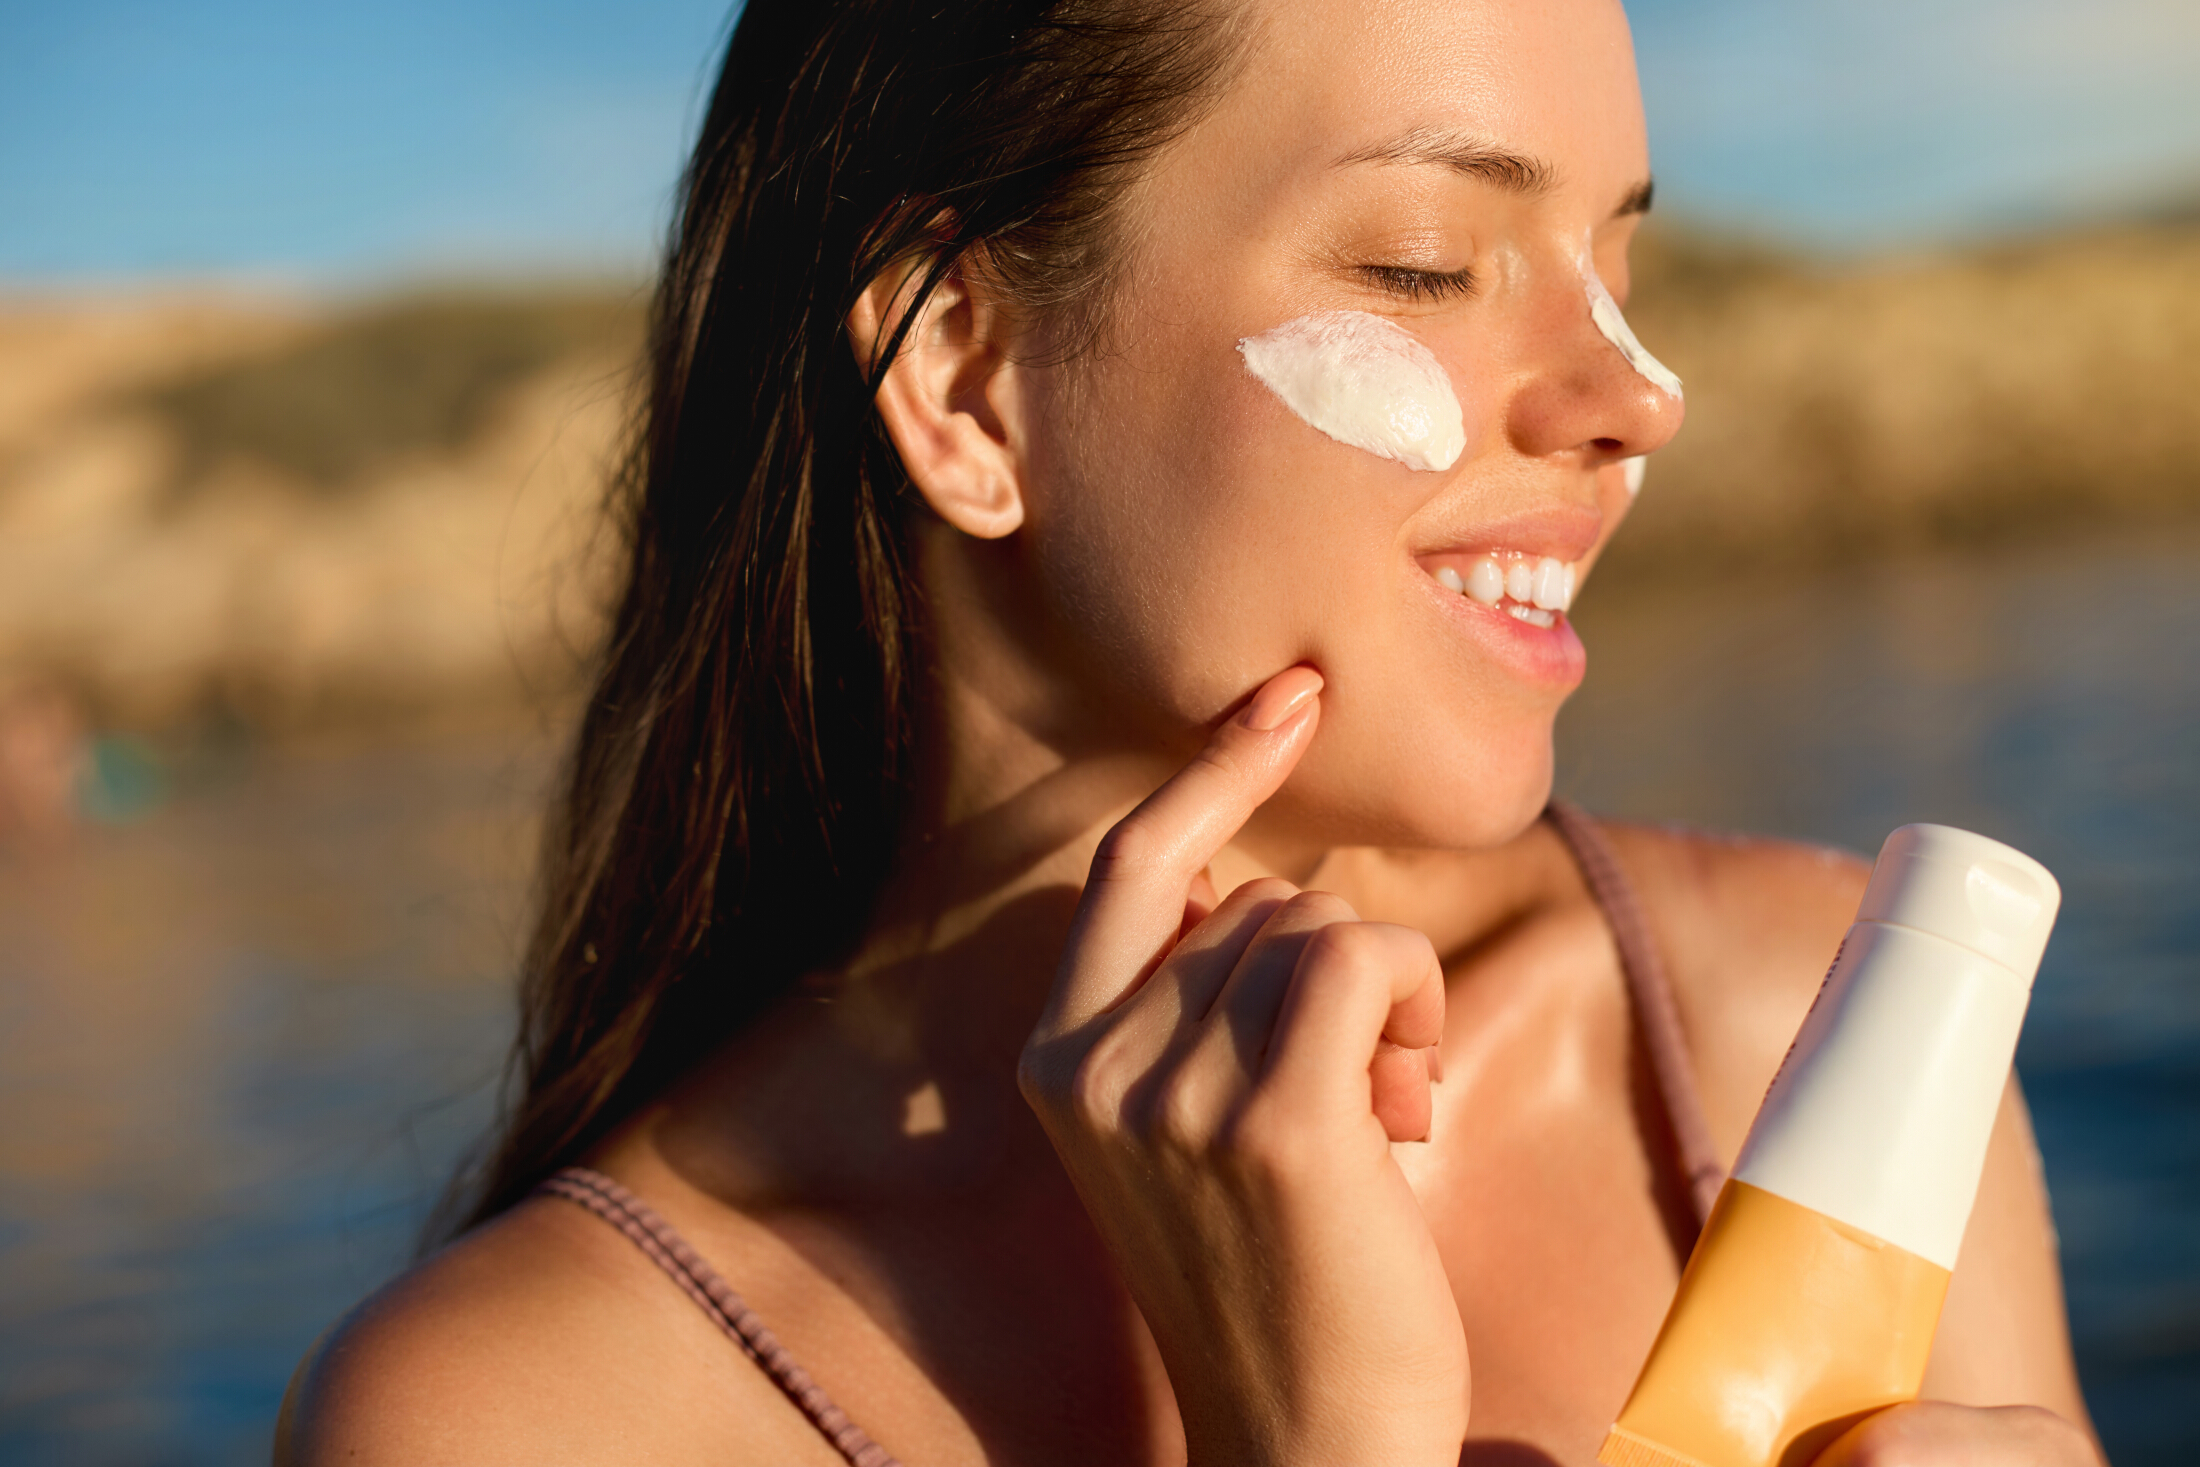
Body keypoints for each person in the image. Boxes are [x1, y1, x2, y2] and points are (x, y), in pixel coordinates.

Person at [274, 0, 2105, 1461]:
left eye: (1619, 259)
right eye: (1421, 262)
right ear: (968, 379)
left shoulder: (1810, 1036)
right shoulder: (531, 1416)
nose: (1635, 396)